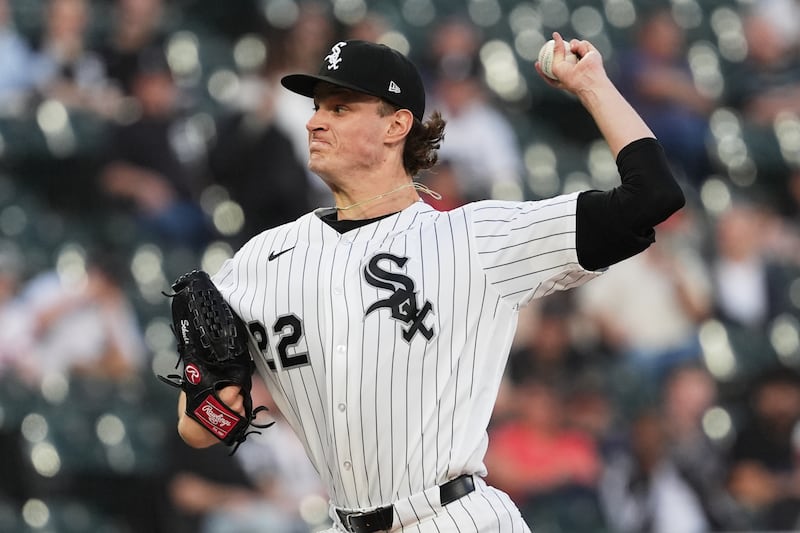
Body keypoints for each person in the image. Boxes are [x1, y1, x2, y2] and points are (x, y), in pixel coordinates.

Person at [173, 34, 685, 533]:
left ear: (396, 125)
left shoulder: (472, 238)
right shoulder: (260, 260)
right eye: (317, 107)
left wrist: (592, 83)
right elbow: (199, 427)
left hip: (456, 517)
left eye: (339, 108)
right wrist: (214, 403)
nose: (314, 122)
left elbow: (651, 196)